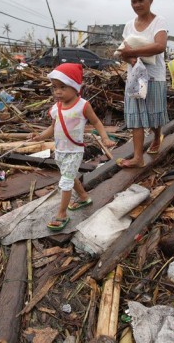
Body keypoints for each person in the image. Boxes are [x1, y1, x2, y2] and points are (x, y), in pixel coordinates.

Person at [29, 63, 114, 232]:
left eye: (63, 87)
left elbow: (96, 121)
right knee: (70, 175)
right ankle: (83, 197)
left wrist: (104, 137)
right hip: (59, 150)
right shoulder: (56, 108)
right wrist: (39, 137)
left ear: (75, 88)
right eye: (55, 87)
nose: (58, 92)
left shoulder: (83, 105)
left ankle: (62, 214)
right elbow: (52, 128)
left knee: (65, 181)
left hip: (74, 151)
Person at [116, 0, 169, 168]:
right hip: (135, 77)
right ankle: (138, 157)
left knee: (154, 116)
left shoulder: (159, 21)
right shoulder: (129, 26)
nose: (137, 5)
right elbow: (124, 52)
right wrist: (130, 59)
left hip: (154, 76)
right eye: (133, 1)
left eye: (140, 0)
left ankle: (156, 135)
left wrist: (133, 53)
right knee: (136, 116)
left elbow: (160, 46)